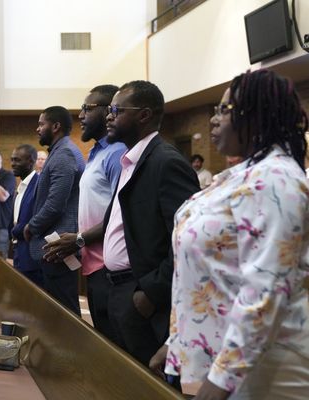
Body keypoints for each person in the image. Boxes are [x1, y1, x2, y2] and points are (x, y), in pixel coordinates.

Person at [153, 70, 309, 400]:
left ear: (257, 115)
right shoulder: (241, 175)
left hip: (261, 369)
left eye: (225, 110)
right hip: (217, 355)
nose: (213, 119)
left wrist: (222, 379)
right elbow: (214, 275)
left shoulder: (276, 180)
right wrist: (176, 340)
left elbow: (266, 290)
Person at [100, 81, 199, 366]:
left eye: (116, 110)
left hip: (141, 295)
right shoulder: (130, 161)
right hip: (117, 288)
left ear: (143, 115)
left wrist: (150, 294)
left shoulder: (166, 163)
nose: (109, 115)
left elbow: (184, 241)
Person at [43, 85, 127, 336]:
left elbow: (120, 213)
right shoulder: (95, 152)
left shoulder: (117, 153)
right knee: (102, 339)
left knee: (115, 346)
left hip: (111, 267)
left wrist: (79, 239)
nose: (80, 115)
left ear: (107, 111)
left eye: (87, 108)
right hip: (93, 263)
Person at [25, 106, 85, 315]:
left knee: (65, 312)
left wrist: (31, 226)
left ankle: (72, 348)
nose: (38, 129)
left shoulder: (64, 153)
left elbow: (55, 204)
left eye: (42, 124)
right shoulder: (60, 151)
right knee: (58, 309)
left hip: (58, 244)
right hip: (56, 244)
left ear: (56, 126)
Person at [10, 144, 42, 287]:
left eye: (17, 160)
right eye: (12, 160)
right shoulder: (21, 187)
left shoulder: (38, 184)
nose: (12, 164)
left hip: (32, 255)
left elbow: (37, 217)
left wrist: (16, 230)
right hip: (19, 252)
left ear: (30, 161)